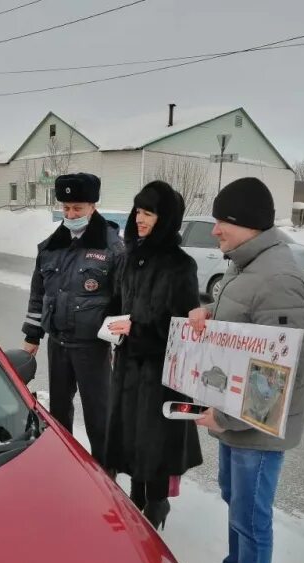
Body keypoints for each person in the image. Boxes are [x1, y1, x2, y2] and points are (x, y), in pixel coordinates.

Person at [187, 177, 304, 563]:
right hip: (235, 415)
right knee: (234, 500)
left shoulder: (277, 277)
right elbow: (246, 321)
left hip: (255, 426)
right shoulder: (248, 266)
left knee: (252, 519)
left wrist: (223, 417)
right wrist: (207, 312)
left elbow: (275, 372)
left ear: (250, 225)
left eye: (224, 220)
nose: (216, 229)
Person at [104, 181, 202, 529]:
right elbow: (118, 303)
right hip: (129, 367)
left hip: (161, 375)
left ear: (166, 218)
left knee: (155, 448)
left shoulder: (180, 265)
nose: (140, 219)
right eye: (138, 211)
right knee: (130, 443)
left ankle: (156, 511)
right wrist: (112, 324)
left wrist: (140, 332)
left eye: (148, 213)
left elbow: (182, 330)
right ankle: (136, 505)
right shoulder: (130, 257)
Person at [21, 173, 124, 464]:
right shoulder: (50, 247)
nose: (70, 214)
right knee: (60, 413)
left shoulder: (112, 248)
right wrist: (32, 336)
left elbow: (123, 300)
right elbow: (38, 295)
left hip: (93, 347)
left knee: (99, 415)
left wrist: (119, 341)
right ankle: (64, 467)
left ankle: (106, 474)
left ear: (92, 206)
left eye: (77, 208)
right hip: (59, 343)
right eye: (66, 208)